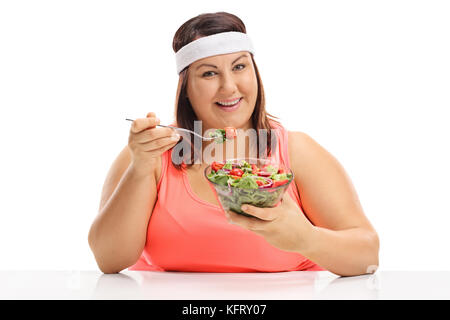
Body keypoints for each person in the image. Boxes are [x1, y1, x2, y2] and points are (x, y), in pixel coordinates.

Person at [88, 12, 379, 276]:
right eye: (209, 73)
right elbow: (109, 260)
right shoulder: (148, 153)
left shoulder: (298, 151)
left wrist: (307, 239)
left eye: (239, 66)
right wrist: (140, 169)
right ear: (186, 88)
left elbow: (367, 256)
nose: (229, 87)